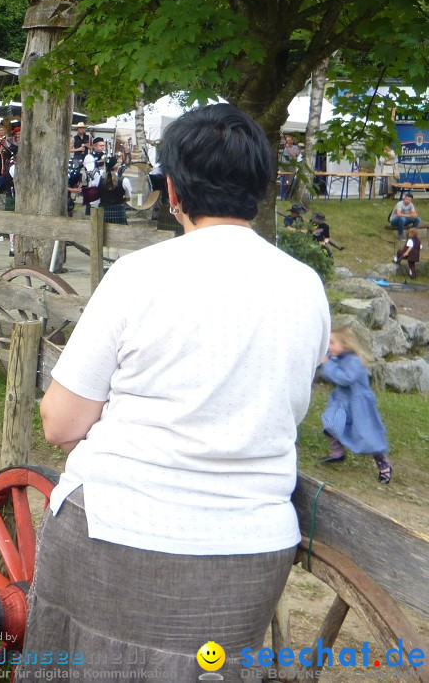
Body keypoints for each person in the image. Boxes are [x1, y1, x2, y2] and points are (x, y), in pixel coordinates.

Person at [21, 103, 330, 680]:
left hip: (120, 533)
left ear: (174, 194)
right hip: (251, 551)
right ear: (260, 190)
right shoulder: (305, 287)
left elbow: (60, 424)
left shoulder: (140, 275)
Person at [320, 327, 391, 484]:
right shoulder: (338, 357)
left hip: (359, 404)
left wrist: (329, 365)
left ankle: (383, 464)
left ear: (345, 345)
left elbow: (345, 378)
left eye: (332, 342)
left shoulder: (354, 361)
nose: (329, 346)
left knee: (368, 435)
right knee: (331, 423)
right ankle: (337, 452)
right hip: (342, 401)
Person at [97, 155, 131, 224]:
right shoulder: (124, 181)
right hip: (119, 210)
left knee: (102, 233)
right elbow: (128, 198)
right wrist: (120, 200)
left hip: (103, 210)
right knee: (120, 233)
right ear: (117, 167)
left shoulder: (99, 179)